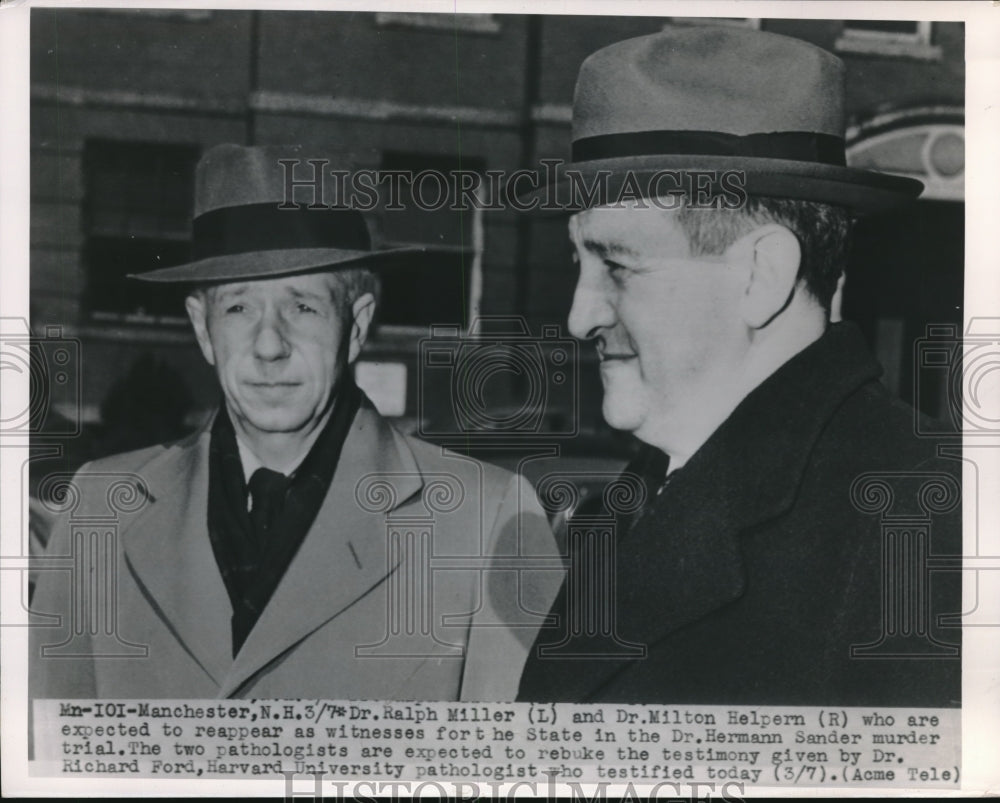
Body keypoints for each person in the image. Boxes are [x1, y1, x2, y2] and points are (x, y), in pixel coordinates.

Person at [517, 27, 961, 706]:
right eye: (579, 262)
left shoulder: (929, 528)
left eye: (618, 265)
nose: (581, 317)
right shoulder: (647, 490)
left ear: (761, 275)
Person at [30, 144, 559, 701]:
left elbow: (515, 773)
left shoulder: (485, 520)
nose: (268, 345)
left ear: (356, 327)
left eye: (302, 307)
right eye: (238, 308)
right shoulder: (100, 505)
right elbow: (46, 750)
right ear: (203, 328)